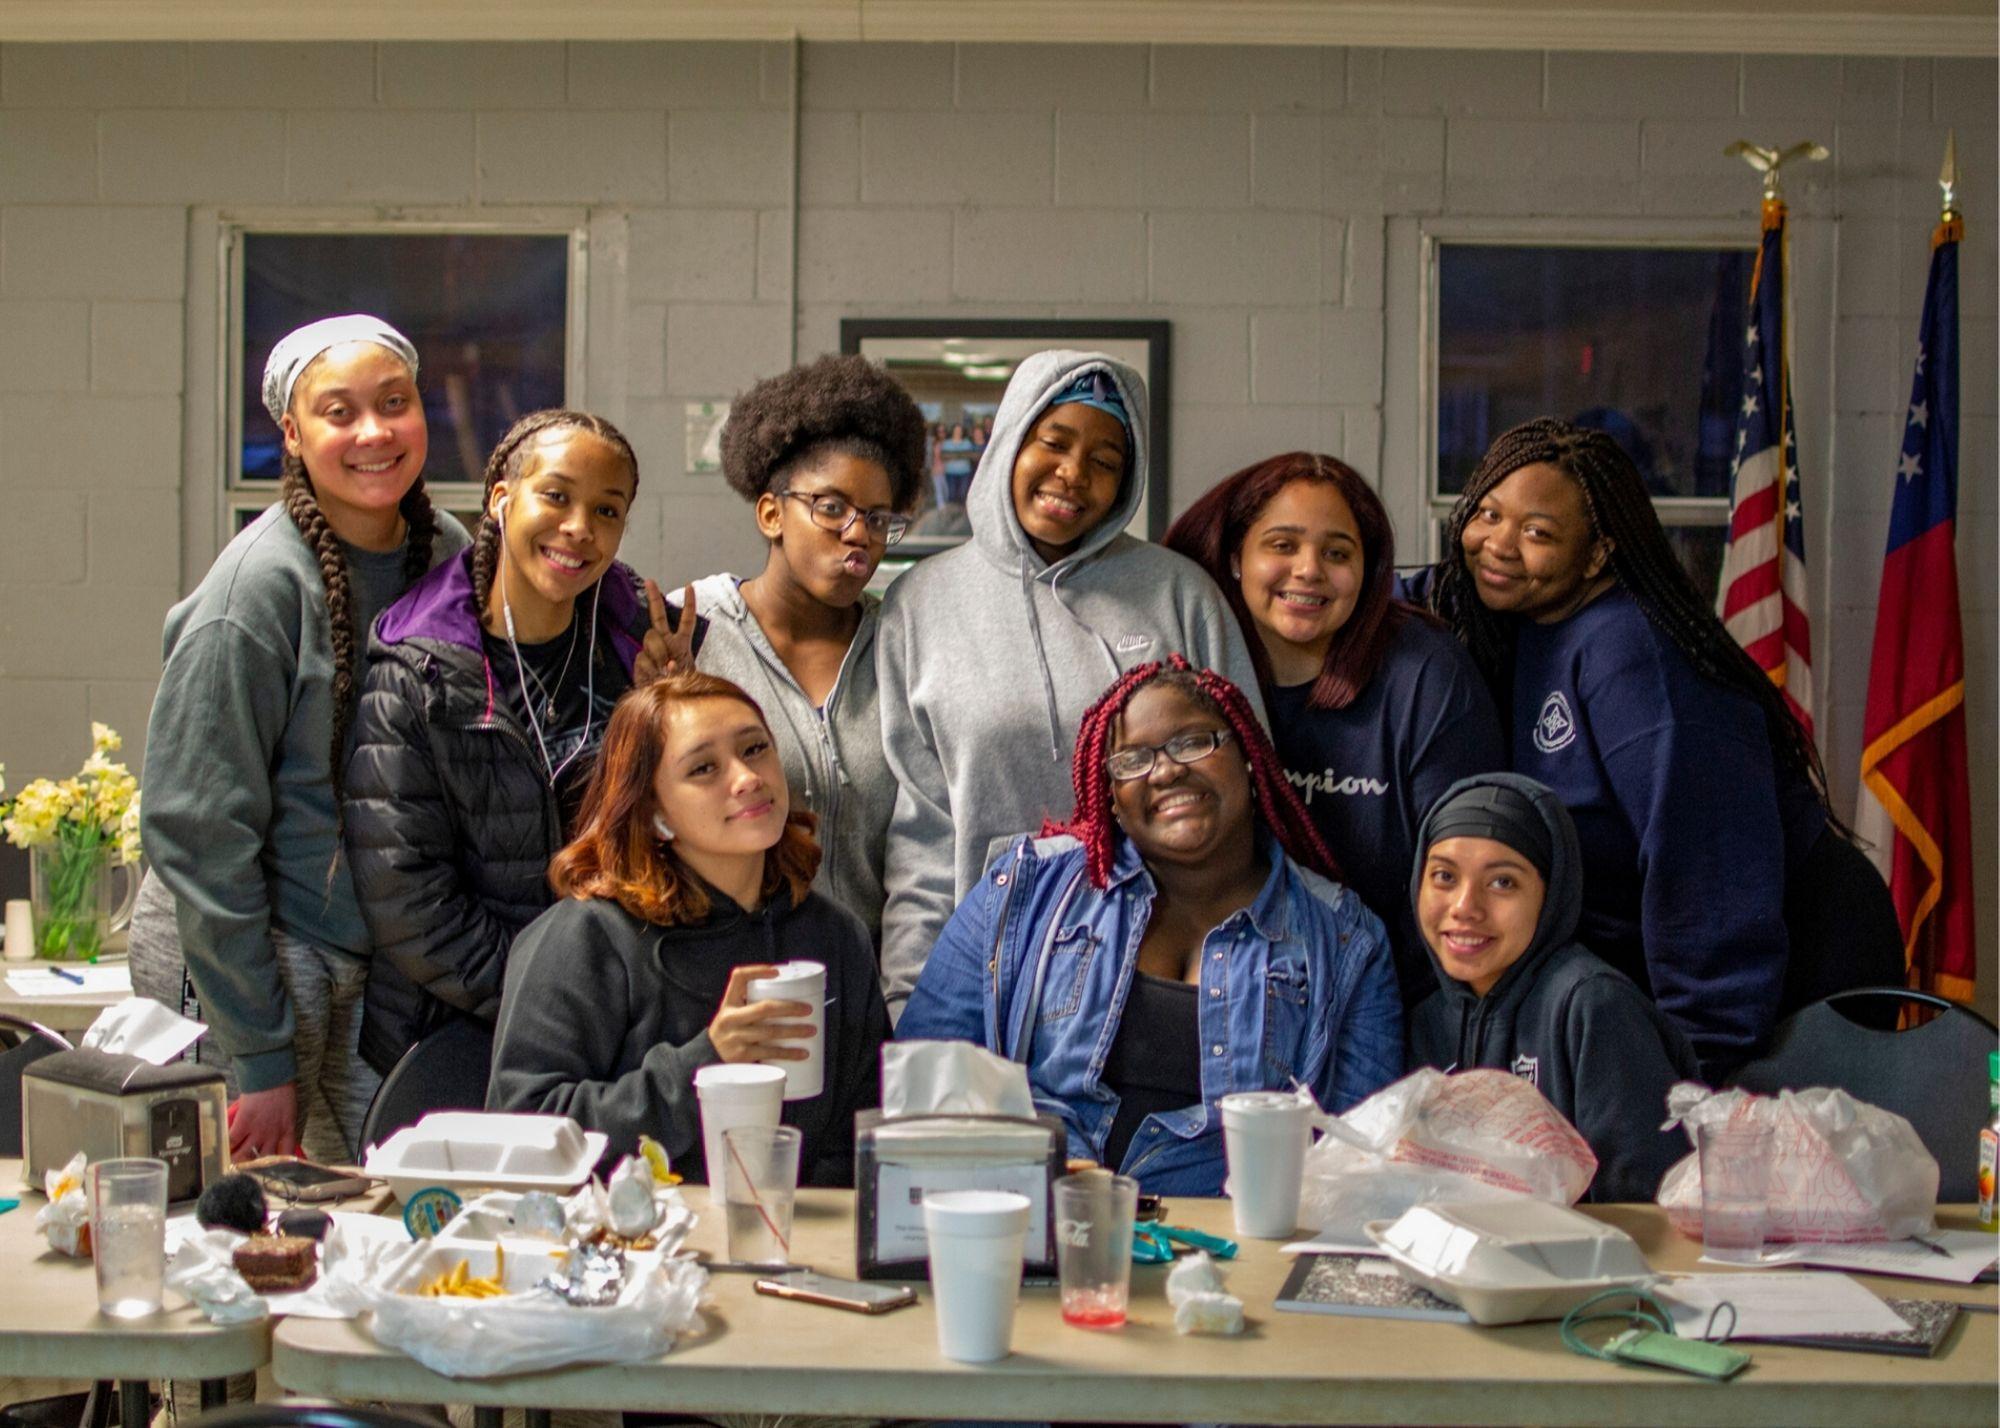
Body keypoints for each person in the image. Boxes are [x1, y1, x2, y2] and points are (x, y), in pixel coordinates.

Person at [1422, 416, 1903, 1075]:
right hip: (1699, 960)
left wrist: (1702, 1069)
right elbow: (1408, 588)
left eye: (1537, 533)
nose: (1497, 545)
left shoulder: (1634, 655)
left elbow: (1709, 866)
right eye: (1487, 514)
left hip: (1786, 965)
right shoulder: (1528, 615)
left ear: (1597, 555)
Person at [134, 315, 470, 1164]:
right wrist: (259, 1057)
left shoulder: (452, 558)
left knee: (380, 1195)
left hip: (374, 950)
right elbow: (200, 836)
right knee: (244, 1218)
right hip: (242, 945)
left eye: (394, 403)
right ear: (292, 431)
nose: (373, 432)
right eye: (339, 411)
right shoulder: (252, 594)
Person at [897, 658, 1401, 1194]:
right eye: (1132, 760)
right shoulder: (1025, 889)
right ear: (1109, 795)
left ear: (1249, 756)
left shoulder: (1346, 940)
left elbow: (1356, 1162)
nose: (1165, 771)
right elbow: (928, 1083)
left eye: (1193, 743)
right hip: (1035, 1232)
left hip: (1236, 1255)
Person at [875, 350, 1264, 1014]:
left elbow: (1249, 794)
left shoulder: (1177, 595)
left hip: (1162, 974)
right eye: (1052, 442)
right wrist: (911, 993)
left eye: (1106, 461)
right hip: (990, 972)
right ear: (1008, 445)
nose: (1074, 474)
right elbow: (923, 833)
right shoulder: (920, 603)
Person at [344, 409, 690, 1076]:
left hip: (613, 1037)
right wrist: (555, 998)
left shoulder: (639, 654)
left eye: (607, 510)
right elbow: (408, 902)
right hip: (451, 1038)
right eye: (556, 496)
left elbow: (672, 849)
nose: (580, 529)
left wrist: (676, 711)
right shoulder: (417, 669)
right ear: (503, 500)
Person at [487, 671, 889, 1185]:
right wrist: (705, 1064)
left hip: (792, 1240)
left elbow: (863, 1129)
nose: (747, 777)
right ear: (655, 813)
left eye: (756, 749)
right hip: (627, 1244)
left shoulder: (834, 935)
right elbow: (521, 1128)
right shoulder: (586, 937)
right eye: (704, 768)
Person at [1163, 451, 1504, 1008]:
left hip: (1398, 1000)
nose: (1309, 570)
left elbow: (1469, 878)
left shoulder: (1425, 676)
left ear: (1368, 571)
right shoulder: (1193, 675)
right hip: (1234, 1003)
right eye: (1282, 545)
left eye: (1337, 552)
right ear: (1235, 557)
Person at [658, 355, 925, 943]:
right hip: (726, 979)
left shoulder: (903, 643)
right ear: (772, 513)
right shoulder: (689, 631)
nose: (859, 534)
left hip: (877, 985)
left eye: (878, 519)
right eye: (832, 508)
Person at [1406, 774, 1700, 1203]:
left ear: (1551, 895)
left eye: (1502, 882)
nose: (1465, 907)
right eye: (1444, 876)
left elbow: (1651, 1211)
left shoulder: (1592, 1007)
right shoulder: (1425, 1021)